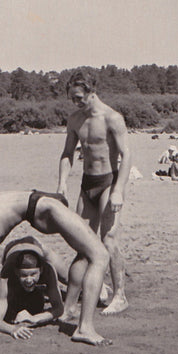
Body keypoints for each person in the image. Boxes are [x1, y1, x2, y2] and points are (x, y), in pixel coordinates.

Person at [0, 190, 110, 347]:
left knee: (97, 255)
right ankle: (80, 320)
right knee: (97, 254)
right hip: (36, 201)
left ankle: (80, 318)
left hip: (42, 206)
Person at [57, 70, 131, 316]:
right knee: (83, 242)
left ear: (91, 91)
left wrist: (118, 190)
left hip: (108, 182)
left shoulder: (112, 117)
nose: (75, 102)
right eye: (72, 98)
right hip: (86, 184)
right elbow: (67, 153)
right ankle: (96, 287)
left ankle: (120, 296)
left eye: (79, 97)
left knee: (109, 240)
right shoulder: (75, 119)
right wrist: (62, 184)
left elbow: (126, 155)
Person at [0, 237, 64, 340]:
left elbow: (59, 308)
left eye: (33, 274)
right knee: (7, 290)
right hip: (11, 248)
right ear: (16, 272)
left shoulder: (48, 270)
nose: (28, 280)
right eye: (24, 275)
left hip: (37, 245)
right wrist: (12, 329)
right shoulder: (6, 274)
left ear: (40, 270)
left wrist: (36, 318)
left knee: (69, 278)